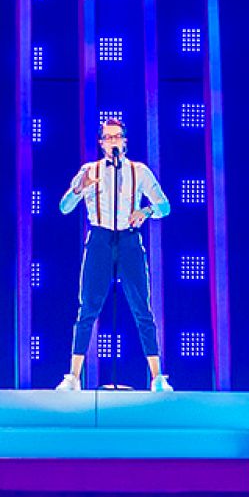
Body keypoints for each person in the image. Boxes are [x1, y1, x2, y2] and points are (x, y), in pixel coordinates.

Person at [55, 119, 173, 392]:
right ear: (101, 143)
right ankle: (73, 377)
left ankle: (157, 377)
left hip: (129, 240)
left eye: (117, 136)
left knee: (142, 308)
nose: (113, 141)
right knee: (88, 307)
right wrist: (79, 187)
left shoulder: (139, 171)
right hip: (100, 239)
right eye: (108, 138)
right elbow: (64, 207)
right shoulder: (89, 170)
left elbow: (165, 206)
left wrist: (146, 211)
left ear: (125, 141)